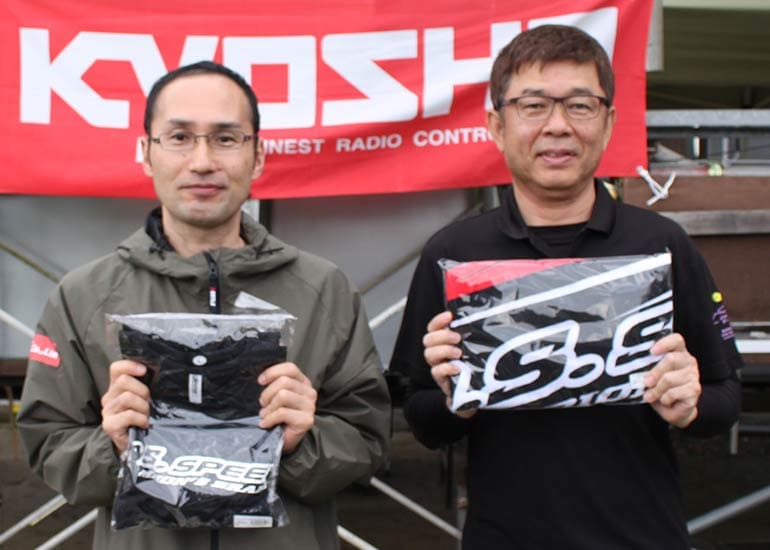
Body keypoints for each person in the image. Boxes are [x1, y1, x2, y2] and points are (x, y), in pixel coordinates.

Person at [390, 25, 742, 549]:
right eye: (533, 106)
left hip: (643, 536)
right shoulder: (454, 253)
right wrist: (452, 401)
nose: (557, 126)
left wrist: (691, 403)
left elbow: (726, 397)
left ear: (608, 122)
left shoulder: (661, 244)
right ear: (497, 125)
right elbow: (420, 420)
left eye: (580, 106)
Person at [17, 61, 390, 549]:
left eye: (225, 138)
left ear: (257, 156)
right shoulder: (84, 294)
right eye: (179, 137)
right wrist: (116, 447)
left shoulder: (324, 289)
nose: (202, 161)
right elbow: (47, 443)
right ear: (146, 153)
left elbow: (368, 440)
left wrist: (301, 442)